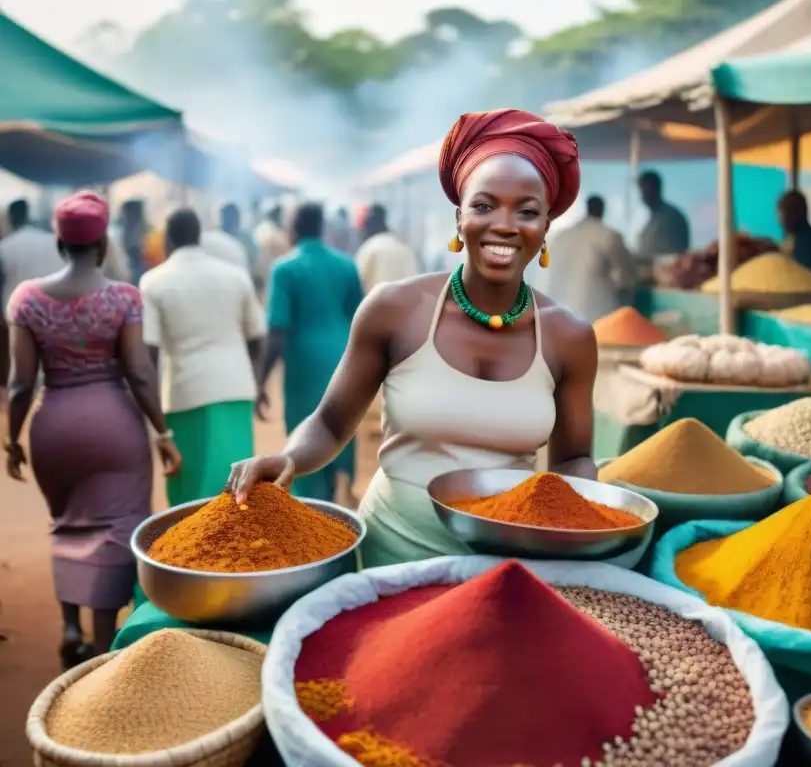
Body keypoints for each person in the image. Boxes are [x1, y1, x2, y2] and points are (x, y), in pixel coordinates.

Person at [228, 108, 597, 568]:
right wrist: (289, 459)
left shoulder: (570, 337)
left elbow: (574, 459)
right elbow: (329, 423)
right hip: (388, 558)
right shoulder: (395, 310)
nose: (504, 224)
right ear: (459, 217)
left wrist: (583, 508)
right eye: (484, 205)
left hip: (505, 569)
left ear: (545, 228)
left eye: (526, 211)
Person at [5, 192, 181, 666]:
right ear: (102, 244)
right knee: (117, 527)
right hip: (113, 426)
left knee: (66, 525)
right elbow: (140, 373)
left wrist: (12, 439)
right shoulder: (124, 298)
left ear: (61, 244)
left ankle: (68, 624)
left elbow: (20, 383)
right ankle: (103, 647)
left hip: (53, 425)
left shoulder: (26, 299)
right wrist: (162, 434)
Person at [140, 209, 266, 507]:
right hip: (237, 390)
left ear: (168, 239)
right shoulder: (235, 276)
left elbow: (148, 355)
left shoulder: (152, 282)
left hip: (185, 395)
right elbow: (257, 337)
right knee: (238, 489)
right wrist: (256, 383)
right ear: (199, 236)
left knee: (193, 497)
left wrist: (156, 422)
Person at [258, 203, 364, 503]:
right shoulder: (346, 265)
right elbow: (360, 315)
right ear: (321, 228)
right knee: (341, 422)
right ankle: (338, 489)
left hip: (304, 363)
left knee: (306, 429)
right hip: (344, 357)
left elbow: (277, 330)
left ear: (292, 229)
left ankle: (315, 504)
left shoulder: (285, 269)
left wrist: (261, 380)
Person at [546, 195, 637, 322]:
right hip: (595, 319)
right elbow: (627, 278)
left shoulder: (560, 237)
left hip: (556, 318)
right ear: (602, 210)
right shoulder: (607, 235)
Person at [0, 199, 64, 312]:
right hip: (55, 312)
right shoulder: (53, 242)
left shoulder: (5, 246)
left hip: (17, 316)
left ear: (10, 219)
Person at [353, 204, 420, 291]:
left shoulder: (369, 249)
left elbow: (357, 282)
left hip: (377, 304)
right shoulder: (404, 249)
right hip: (405, 303)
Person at [636, 170, 690, 262]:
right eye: (641, 190)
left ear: (655, 188)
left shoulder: (671, 217)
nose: (642, 194)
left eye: (645, 188)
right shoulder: (653, 217)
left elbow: (671, 255)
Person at [200, 204, 251, 274]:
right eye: (227, 217)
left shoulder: (246, 239)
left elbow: (254, 262)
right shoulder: (214, 240)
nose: (230, 220)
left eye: (232, 217)